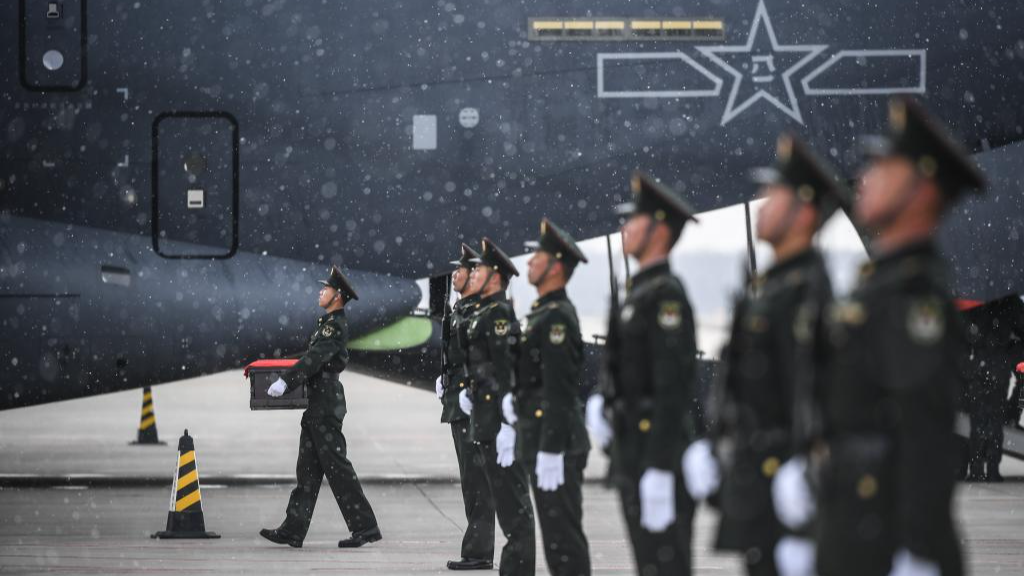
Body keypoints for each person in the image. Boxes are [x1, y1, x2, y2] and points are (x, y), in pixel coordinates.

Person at [776, 97, 985, 576]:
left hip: (888, 536)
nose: (864, 177)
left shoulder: (914, 299)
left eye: (883, 167)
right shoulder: (880, 285)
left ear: (921, 188)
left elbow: (922, 431)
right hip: (855, 523)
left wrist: (917, 543)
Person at [685, 133, 846, 576]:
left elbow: (812, 389)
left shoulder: (805, 291)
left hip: (786, 480)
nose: (762, 202)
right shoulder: (771, 286)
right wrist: (718, 446)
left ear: (805, 209)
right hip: (758, 477)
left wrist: (808, 466)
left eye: (774, 194)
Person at [587, 171, 701, 576]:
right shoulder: (638, 293)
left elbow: (673, 388)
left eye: (633, 220)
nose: (624, 228)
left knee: (666, 565)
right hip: (633, 452)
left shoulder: (666, 295)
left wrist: (658, 465)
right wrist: (606, 401)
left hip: (658, 456)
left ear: (659, 230)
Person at [259, 265, 382, 549]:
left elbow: (314, 358)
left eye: (325, 289)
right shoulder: (326, 323)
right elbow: (312, 357)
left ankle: (365, 527)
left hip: (325, 404)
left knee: (337, 469)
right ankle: (293, 529)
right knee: (308, 472)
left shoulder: (333, 325)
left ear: (337, 296)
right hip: (318, 403)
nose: (320, 291)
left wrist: (285, 382)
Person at [505, 218, 591, 576]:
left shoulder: (556, 318)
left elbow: (559, 390)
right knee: (557, 542)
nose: (528, 263)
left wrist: (552, 449)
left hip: (556, 442)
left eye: (536, 256)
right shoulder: (542, 313)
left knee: (564, 540)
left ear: (555, 266)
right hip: (541, 437)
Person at [459, 238, 536, 576]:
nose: (474, 273)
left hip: (499, 422)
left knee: (515, 512)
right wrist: (468, 390)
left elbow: (509, 372)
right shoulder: (484, 313)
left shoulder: (500, 314)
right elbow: (483, 367)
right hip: (486, 419)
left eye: (480, 269)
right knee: (507, 512)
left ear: (495, 277)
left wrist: (508, 423)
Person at [439, 243, 497, 570]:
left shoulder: (479, 311)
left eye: (462, 270)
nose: (455, 274)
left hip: (471, 402)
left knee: (478, 481)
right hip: (457, 402)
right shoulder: (461, 309)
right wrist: (444, 377)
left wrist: (469, 388)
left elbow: (487, 359)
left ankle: (478, 552)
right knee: (469, 480)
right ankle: (476, 549)